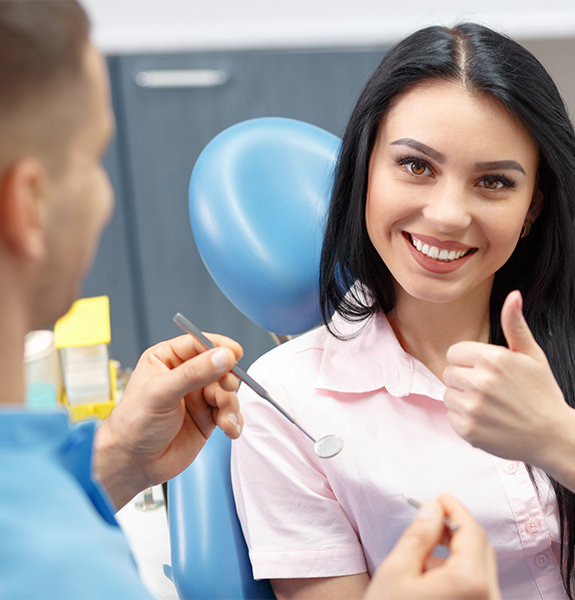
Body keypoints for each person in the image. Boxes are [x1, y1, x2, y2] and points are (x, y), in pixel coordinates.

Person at [0, 2, 499, 599]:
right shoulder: (60, 571)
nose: (447, 214)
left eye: (495, 180)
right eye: (92, 159)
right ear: (28, 206)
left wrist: (117, 460)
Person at [231, 21, 575, 600]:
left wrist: (556, 436)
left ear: (532, 206)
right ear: (365, 169)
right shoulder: (285, 404)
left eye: (493, 181)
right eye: (416, 166)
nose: (446, 215)